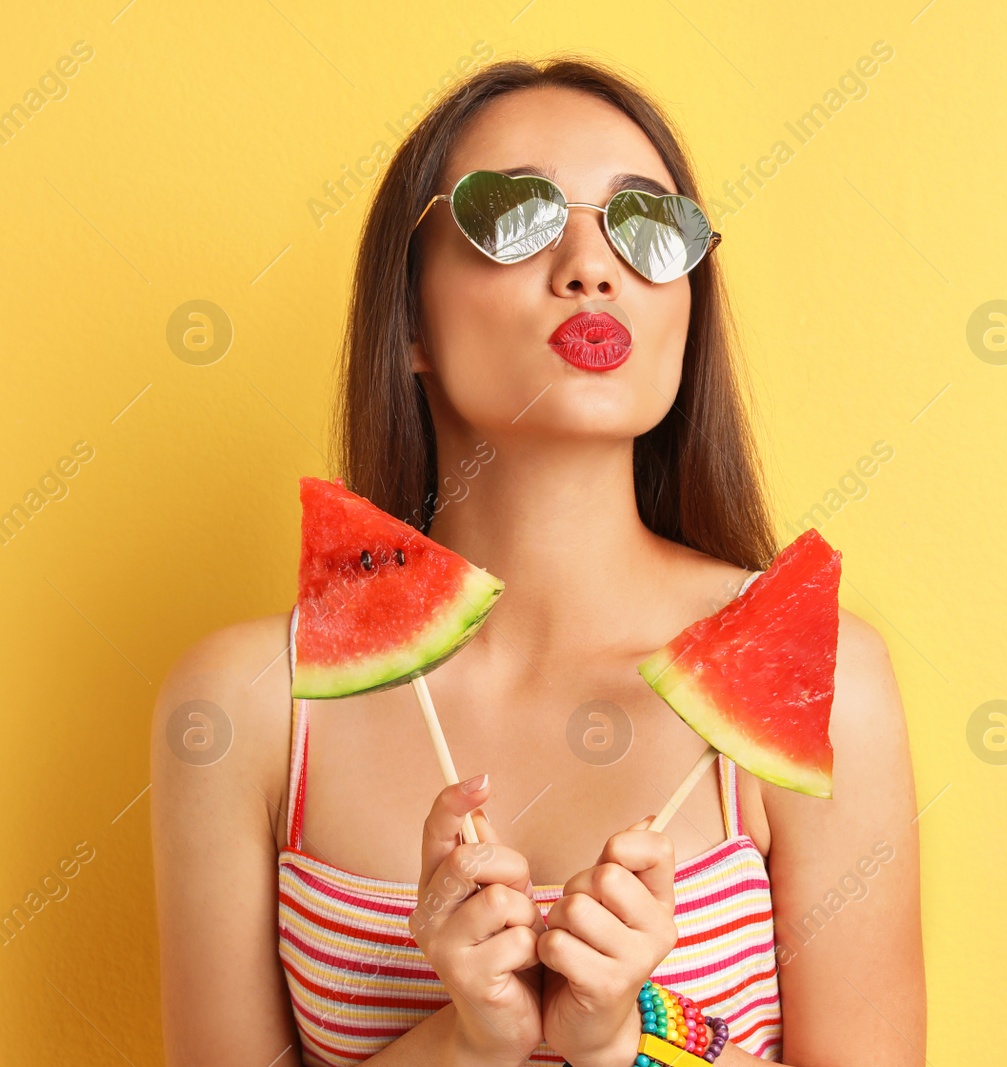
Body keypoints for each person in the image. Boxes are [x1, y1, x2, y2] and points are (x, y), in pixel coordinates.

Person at [150, 55, 924, 1067]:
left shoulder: (819, 678)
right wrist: (464, 1044)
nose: (591, 265)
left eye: (647, 226)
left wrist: (620, 1040)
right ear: (410, 316)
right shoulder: (241, 708)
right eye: (510, 214)